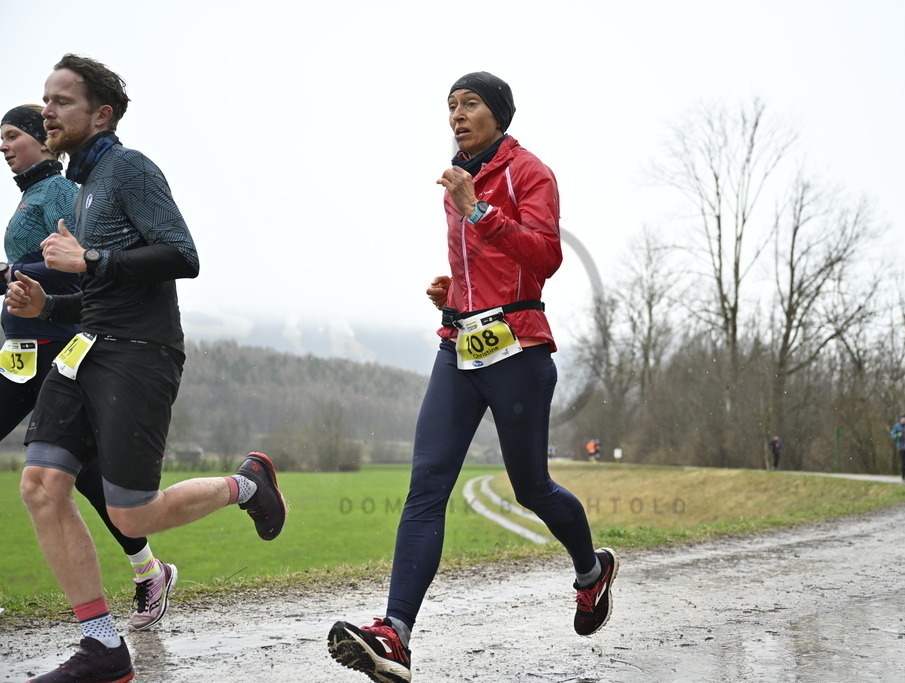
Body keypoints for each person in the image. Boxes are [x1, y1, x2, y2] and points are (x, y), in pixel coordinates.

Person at [327, 71, 618, 683]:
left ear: (500, 114)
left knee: (531, 487)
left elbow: (544, 257)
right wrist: (452, 294)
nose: (457, 115)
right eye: (450, 106)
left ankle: (591, 573)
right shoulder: (455, 180)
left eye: (471, 104)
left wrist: (477, 209)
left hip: (518, 349)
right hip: (460, 346)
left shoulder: (528, 173)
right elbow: (482, 267)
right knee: (427, 484)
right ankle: (395, 635)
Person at [6, 54, 286, 683]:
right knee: (41, 485)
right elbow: (100, 290)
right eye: (45, 100)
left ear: (101, 115)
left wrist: (92, 258)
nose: (46, 111)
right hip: (85, 344)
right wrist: (47, 302)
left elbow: (182, 256)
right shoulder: (79, 190)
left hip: (139, 352)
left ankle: (247, 484)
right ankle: (101, 646)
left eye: (62, 102)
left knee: (131, 513)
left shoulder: (129, 168)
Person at [1, 103, 180, 633]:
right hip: (25, 348)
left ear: (40, 139)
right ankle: (148, 569)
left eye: (12, 136)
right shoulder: (34, 194)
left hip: (60, 345)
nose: (4, 147)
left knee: (72, 476)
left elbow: (80, 264)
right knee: (81, 474)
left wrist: (11, 272)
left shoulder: (57, 191)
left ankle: (145, 574)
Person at [889, 415, 905, 482]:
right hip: (901, 447)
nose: (904, 420)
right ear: (900, 420)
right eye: (902, 419)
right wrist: (897, 435)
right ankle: (903, 476)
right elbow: (892, 434)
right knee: (903, 462)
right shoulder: (897, 426)